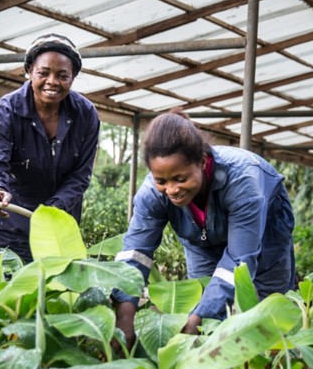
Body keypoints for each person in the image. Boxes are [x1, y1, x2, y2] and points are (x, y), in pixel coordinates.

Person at [113, 112, 296, 347]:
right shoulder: (151, 193)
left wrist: (198, 320)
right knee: (203, 306)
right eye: (161, 181)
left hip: (265, 236)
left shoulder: (242, 180)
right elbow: (135, 252)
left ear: (201, 161)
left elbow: (239, 261)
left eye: (180, 178)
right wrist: (124, 318)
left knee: (265, 315)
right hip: (201, 240)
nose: (172, 190)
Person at [0, 33, 100, 262]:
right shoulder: (7, 110)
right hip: (11, 220)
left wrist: (53, 210)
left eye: (62, 75)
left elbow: (80, 175)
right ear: (30, 72)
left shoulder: (86, 115)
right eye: (43, 73)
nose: (52, 81)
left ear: (72, 78)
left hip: (58, 219)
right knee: (17, 285)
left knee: (56, 287)